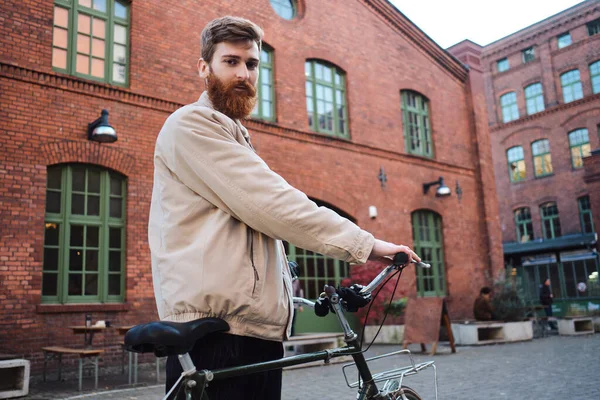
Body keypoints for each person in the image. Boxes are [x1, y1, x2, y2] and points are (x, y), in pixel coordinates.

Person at [148, 16, 420, 400]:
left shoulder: (234, 135)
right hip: (218, 335)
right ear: (203, 67)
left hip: (251, 331)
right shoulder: (192, 125)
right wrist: (367, 244)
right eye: (231, 62)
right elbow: (272, 204)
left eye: (252, 64)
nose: (244, 73)